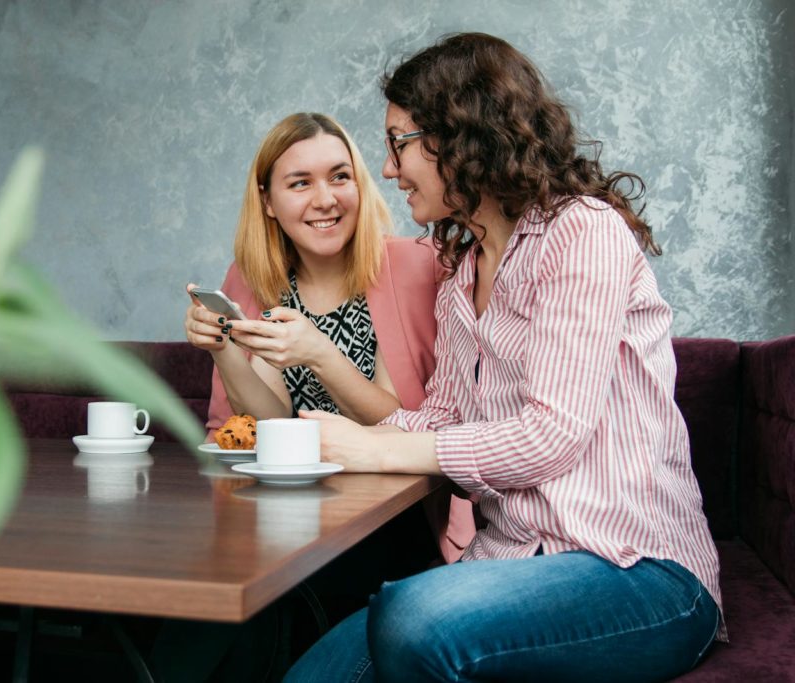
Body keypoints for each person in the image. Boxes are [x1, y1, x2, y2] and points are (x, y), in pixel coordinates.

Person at [284, 33, 724, 683]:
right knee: (309, 675)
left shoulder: (582, 231)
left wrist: (376, 449)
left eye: (399, 142)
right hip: (510, 560)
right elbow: (443, 420)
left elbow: (552, 434)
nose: (387, 168)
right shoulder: (463, 275)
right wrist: (336, 438)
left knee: (413, 619)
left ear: (462, 133)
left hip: (640, 571)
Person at [184, 112, 475, 559]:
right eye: (300, 183)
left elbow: (402, 426)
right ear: (267, 201)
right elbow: (271, 422)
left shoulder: (418, 265)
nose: (326, 200)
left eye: (340, 177)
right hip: (281, 511)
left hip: (393, 518)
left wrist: (320, 353)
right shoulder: (252, 278)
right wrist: (223, 349)